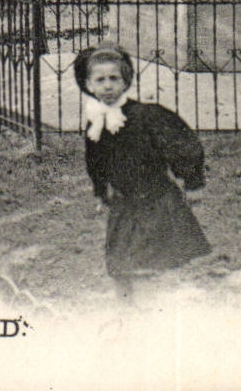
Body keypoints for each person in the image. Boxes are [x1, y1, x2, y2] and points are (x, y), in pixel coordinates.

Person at [74, 46, 210, 299]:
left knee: (147, 268)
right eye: (100, 80)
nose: (107, 86)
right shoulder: (96, 120)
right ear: (89, 85)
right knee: (118, 267)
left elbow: (182, 146)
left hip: (154, 201)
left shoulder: (146, 116)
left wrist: (192, 181)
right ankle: (125, 313)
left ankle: (151, 312)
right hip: (123, 204)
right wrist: (101, 191)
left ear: (125, 81)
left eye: (114, 78)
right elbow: (95, 160)